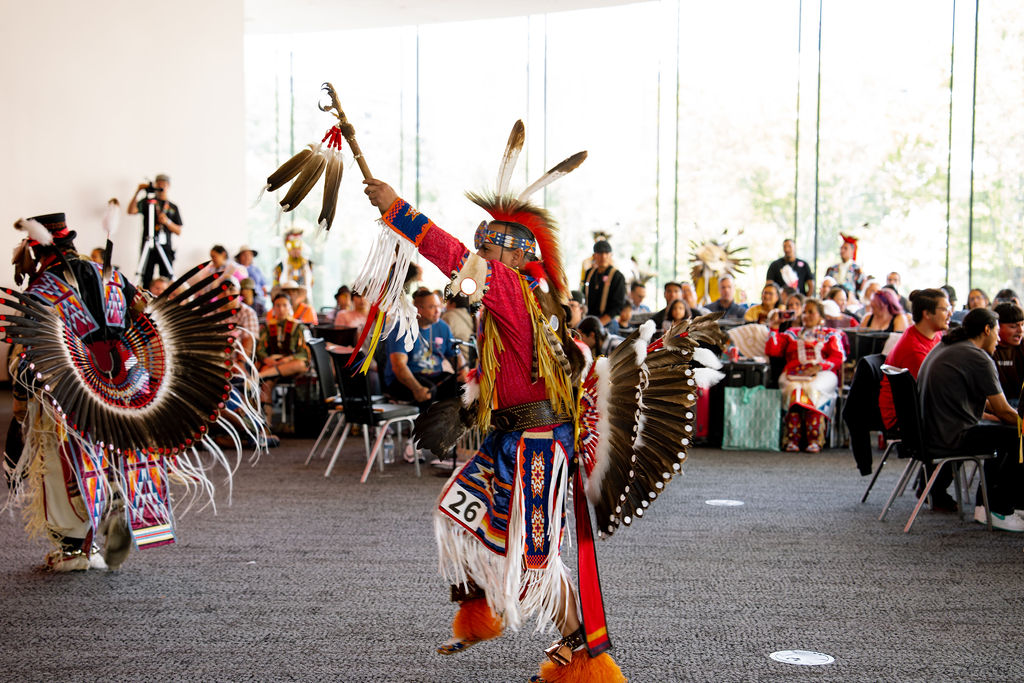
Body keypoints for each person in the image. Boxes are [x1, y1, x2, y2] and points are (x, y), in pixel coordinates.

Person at [363, 127, 626, 679]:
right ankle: (482, 610)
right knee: (456, 512)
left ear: (510, 255)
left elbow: (453, 255)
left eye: (487, 246)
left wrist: (398, 210)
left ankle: (583, 656)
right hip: (512, 437)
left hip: (537, 447)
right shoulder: (511, 298)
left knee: (534, 562)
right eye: (480, 246)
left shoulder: (510, 288)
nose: (476, 254)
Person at [4, 209, 247, 572]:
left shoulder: (43, 289)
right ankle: (118, 494)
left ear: (37, 250)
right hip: (125, 377)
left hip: (69, 386)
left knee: (65, 462)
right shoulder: (112, 277)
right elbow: (147, 315)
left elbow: (29, 355)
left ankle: (74, 549)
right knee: (124, 443)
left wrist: (20, 408)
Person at [917, 308, 1024, 531]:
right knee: (1018, 436)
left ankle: (985, 507)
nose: (997, 340)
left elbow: (988, 403)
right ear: (987, 330)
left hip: (932, 433)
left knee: (1003, 433)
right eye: (996, 332)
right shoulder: (978, 357)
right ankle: (1000, 509)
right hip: (952, 436)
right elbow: (1003, 411)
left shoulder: (948, 345)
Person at [766, 298, 845, 453]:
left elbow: (838, 357)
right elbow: (773, 350)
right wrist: (774, 328)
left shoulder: (831, 334)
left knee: (812, 387)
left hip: (822, 373)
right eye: (805, 312)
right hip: (794, 374)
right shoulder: (791, 334)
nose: (806, 316)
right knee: (794, 389)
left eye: (811, 312)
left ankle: (815, 438)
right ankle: (792, 438)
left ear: (821, 316)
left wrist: (819, 367)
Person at [878, 288, 949, 433]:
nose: (950, 314)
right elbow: (935, 395)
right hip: (908, 418)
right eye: (944, 309)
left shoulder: (935, 335)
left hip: (922, 408)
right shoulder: (914, 350)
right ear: (927, 314)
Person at [384, 289, 465, 407]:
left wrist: (463, 371)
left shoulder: (443, 327)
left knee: (463, 387)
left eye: (439, 305)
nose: (438, 310)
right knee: (429, 390)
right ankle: (423, 425)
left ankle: (452, 424)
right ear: (418, 309)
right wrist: (417, 389)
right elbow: (398, 366)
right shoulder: (401, 329)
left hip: (434, 377)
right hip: (402, 380)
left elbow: (455, 354)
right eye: (432, 307)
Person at [256, 293, 311, 423]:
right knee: (266, 386)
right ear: (273, 308)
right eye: (278, 306)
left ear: (290, 307)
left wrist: (287, 359)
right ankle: (265, 427)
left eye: (284, 305)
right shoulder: (268, 327)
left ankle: (261, 375)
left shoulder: (299, 327)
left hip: (292, 365)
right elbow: (260, 350)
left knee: (301, 364)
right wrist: (266, 359)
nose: (281, 309)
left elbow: (305, 352)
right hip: (272, 363)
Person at [127, 173, 182, 285]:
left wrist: (167, 222)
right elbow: (131, 211)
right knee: (146, 277)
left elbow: (178, 231)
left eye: (164, 184)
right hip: (148, 244)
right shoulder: (148, 203)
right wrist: (138, 192)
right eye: (159, 184)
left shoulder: (172, 207)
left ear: (168, 186)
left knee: (166, 278)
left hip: (165, 247)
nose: (161, 187)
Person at [582, 239, 627, 334]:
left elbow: (618, 306)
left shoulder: (617, 276)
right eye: (600, 253)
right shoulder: (589, 273)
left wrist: (600, 323)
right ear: (594, 256)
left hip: (608, 321)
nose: (603, 256)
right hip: (589, 319)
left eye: (606, 253)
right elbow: (583, 295)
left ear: (611, 255)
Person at [991, 302, 1024, 405]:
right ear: (997, 326)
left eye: (1022, 325)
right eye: (1013, 326)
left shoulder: (1022, 346)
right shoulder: (988, 348)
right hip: (996, 405)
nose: (1020, 330)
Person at [273, 228, 314, 308]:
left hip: (305, 300)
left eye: (298, 248)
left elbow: (311, 282)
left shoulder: (308, 264)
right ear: (288, 249)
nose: (296, 251)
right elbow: (276, 283)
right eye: (293, 249)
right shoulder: (281, 264)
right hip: (285, 301)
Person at [235, 245, 269, 313]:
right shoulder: (236, 269)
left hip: (259, 297)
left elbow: (263, 284)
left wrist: (265, 293)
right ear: (239, 257)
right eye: (244, 255)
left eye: (249, 254)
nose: (247, 257)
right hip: (244, 298)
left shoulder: (256, 269)